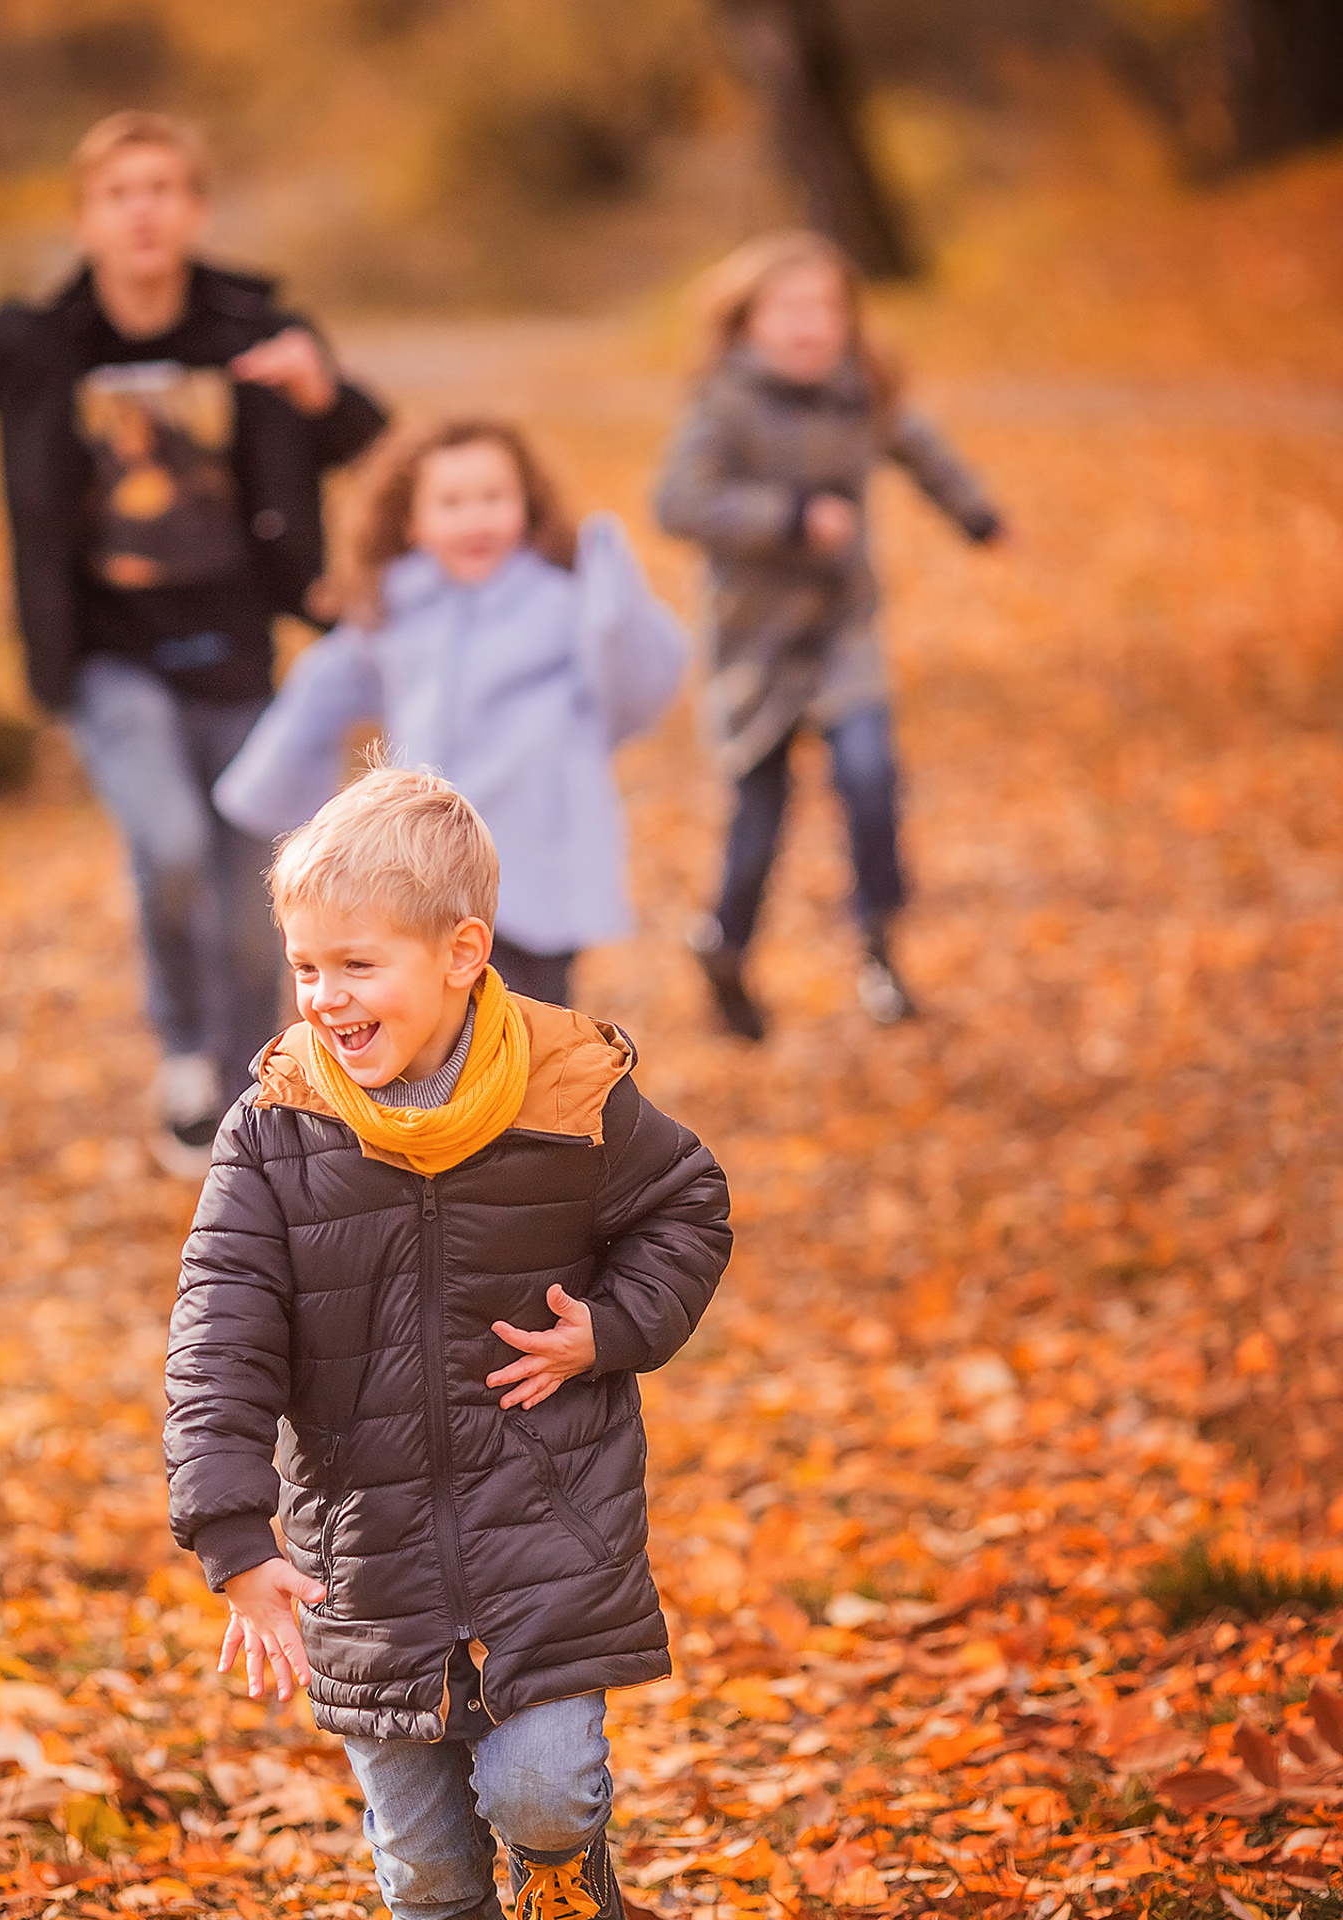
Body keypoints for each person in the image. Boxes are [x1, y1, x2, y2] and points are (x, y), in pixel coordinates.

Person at [0, 111, 388, 1173]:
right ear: (86, 219)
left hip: (242, 655)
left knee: (264, 893)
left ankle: (261, 1079)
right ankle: (186, 1056)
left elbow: (372, 442)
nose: (142, 210)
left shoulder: (254, 330)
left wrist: (327, 394)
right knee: (173, 845)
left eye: (162, 189)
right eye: (118, 193)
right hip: (106, 664)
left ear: (194, 211)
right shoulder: (35, 345)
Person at [164, 767, 731, 1920]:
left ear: (462, 954)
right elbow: (218, 1328)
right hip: (365, 1557)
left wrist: (610, 1328)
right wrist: (230, 1531)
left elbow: (687, 1204)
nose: (324, 996)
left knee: (545, 1794)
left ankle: (576, 1881)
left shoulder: (568, 1093)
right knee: (422, 1868)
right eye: (307, 966)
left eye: (357, 965)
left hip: (544, 1522)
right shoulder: (278, 1128)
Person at [653, 228, 1005, 1042]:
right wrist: (787, 517)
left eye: (826, 308)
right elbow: (677, 503)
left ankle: (880, 949)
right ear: (747, 324)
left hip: (844, 631)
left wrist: (978, 518)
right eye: (790, 309)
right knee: (759, 815)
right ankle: (725, 949)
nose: (811, 324)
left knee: (870, 775)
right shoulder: (722, 406)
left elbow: (922, 449)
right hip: (757, 643)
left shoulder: (860, 394)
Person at [213, 419, 686, 1010]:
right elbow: (326, 686)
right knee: (436, 1018)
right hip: (426, 860)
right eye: (452, 503)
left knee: (531, 1021)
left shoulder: (561, 603)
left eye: (493, 499)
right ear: (414, 523)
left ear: (525, 508)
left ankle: (532, 1102)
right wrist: (266, 790)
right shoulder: (398, 609)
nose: (475, 519)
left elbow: (637, 684)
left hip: (537, 852)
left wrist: (614, 598)